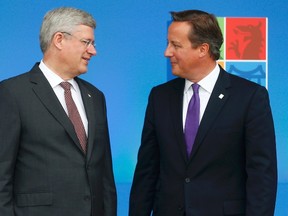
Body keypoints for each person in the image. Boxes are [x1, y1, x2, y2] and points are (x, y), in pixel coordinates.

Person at [129, 9, 277, 216]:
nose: (167, 52)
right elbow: (147, 170)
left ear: (202, 49)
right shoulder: (159, 97)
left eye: (176, 45)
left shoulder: (250, 97)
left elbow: (262, 174)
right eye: (168, 43)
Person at [0, 7, 116, 216]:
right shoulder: (12, 93)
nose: (93, 51)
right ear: (59, 39)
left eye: (93, 43)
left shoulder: (95, 97)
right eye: (86, 42)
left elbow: (105, 174)